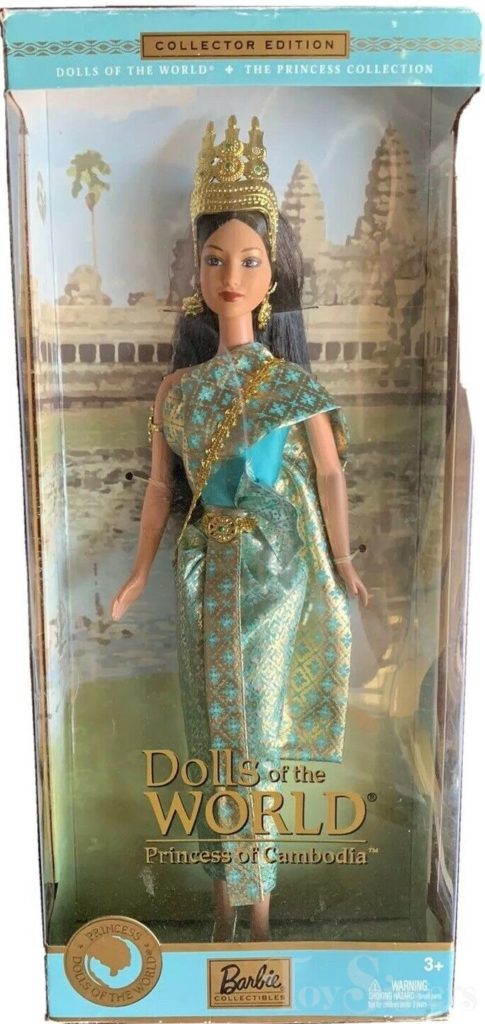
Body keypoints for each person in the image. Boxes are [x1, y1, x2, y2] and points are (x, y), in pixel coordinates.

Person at [111, 115, 367, 943]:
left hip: (273, 573)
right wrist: (138, 573)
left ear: (272, 276)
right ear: (197, 273)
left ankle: (259, 912)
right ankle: (224, 906)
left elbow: (328, 474)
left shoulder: (289, 384)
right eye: (215, 259)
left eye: (249, 260)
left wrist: (342, 561)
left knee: (254, 735)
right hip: (198, 573)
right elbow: (162, 489)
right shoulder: (177, 391)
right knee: (208, 739)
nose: (231, 275)